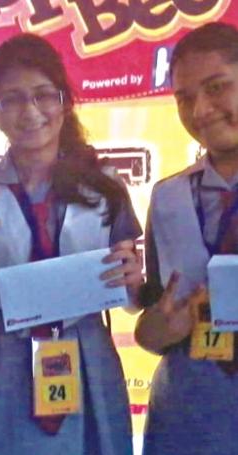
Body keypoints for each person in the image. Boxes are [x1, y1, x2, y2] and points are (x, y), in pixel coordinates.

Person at [0, 33, 143, 455]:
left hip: (90, 363)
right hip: (8, 368)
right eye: (11, 99)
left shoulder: (105, 187)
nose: (30, 111)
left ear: (64, 102)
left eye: (43, 95)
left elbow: (133, 304)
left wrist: (134, 281)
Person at [134, 22, 238, 455]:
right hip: (188, 414)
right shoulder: (168, 198)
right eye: (184, 98)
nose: (201, 111)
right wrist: (158, 329)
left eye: (216, 88)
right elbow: (153, 320)